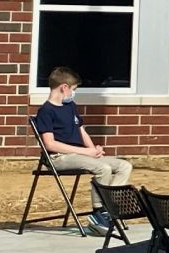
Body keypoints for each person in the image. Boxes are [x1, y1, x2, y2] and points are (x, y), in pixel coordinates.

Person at [32, 67, 131, 238]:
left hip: (80, 155)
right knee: (103, 169)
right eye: (74, 89)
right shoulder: (46, 111)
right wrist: (85, 152)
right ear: (64, 87)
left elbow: (81, 130)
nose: (74, 93)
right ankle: (98, 214)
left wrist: (93, 150)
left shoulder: (70, 106)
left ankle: (109, 209)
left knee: (124, 165)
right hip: (59, 158)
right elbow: (50, 144)